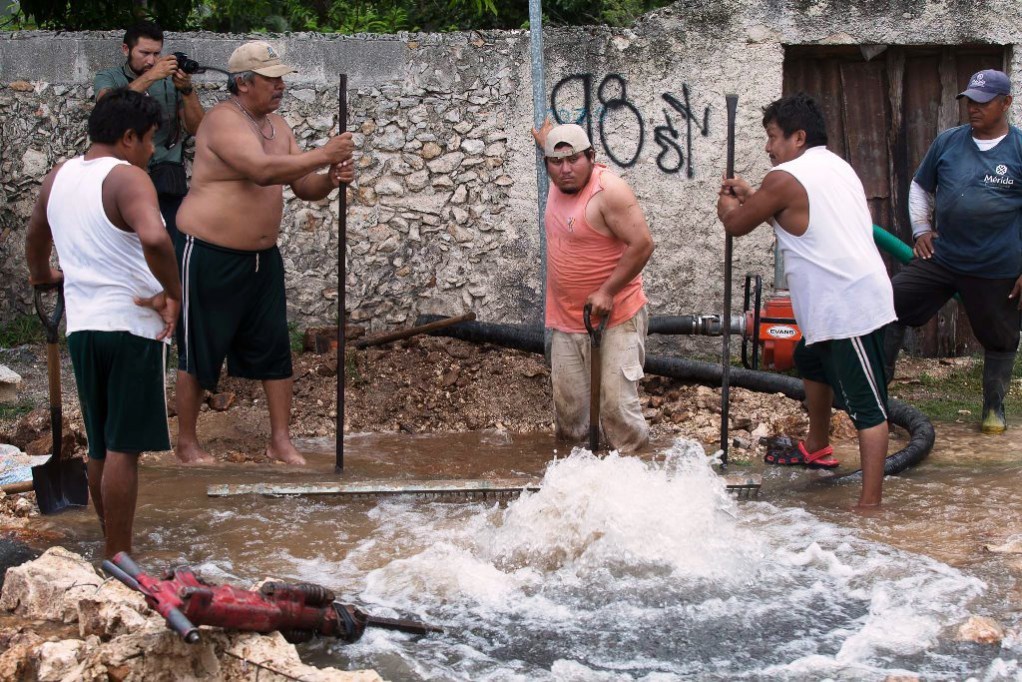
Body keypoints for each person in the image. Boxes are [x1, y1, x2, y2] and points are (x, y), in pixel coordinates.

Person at [173, 41, 354, 466]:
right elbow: (260, 170)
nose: (279, 85)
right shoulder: (221, 121)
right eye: (270, 78)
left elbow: (301, 185)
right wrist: (325, 153)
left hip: (262, 259)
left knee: (275, 347)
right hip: (209, 253)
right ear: (242, 83)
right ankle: (186, 443)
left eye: (280, 78)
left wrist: (329, 178)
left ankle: (280, 440)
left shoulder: (279, 126)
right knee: (201, 347)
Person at [716, 93, 896, 508]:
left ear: (798, 138)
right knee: (810, 359)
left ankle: (870, 505)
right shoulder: (836, 166)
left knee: (869, 408)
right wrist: (752, 192)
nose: (767, 147)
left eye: (773, 137)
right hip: (834, 303)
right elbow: (792, 211)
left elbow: (738, 224)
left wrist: (729, 204)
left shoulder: (785, 179)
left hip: (849, 306)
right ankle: (817, 446)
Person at [25, 89, 182, 558]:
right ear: (128, 137)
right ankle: (120, 555)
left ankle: (109, 541)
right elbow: (154, 236)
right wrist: (174, 293)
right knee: (123, 449)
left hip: (85, 328)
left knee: (100, 445)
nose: (152, 151)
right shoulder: (128, 179)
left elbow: (35, 234)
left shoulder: (60, 176)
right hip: (133, 325)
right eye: (150, 140)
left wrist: (42, 276)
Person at [885, 69, 1022, 434]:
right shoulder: (948, 142)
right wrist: (921, 229)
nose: (973, 108)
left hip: (997, 264)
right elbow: (919, 186)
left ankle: (993, 408)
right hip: (943, 256)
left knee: (1000, 337)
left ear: (1006, 103)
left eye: (983, 101)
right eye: (969, 101)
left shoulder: (1020, 148)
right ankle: (876, 399)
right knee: (889, 301)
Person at [531, 121, 655, 452]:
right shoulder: (558, 180)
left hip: (615, 317)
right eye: (556, 162)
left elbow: (642, 244)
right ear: (546, 165)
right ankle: (579, 489)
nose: (565, 169)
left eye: (574, 159)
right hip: (566, 320)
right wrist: (549, 142)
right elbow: (557, 152)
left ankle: (637, 483)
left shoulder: (608, 192)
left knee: (616, 413)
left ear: (591, 156)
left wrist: (608, 291)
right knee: (570, 417)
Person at [94, 21, 205, 242]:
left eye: (156, 53)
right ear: (126, 49)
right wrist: (152, 75)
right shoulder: (108, 77)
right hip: (124, 177)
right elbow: (107, 108)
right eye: (144, 53)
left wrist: (186, 89)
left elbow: (197, 128)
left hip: (167, 178)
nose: (151, 60)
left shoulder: (170, 81)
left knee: (170, 246)